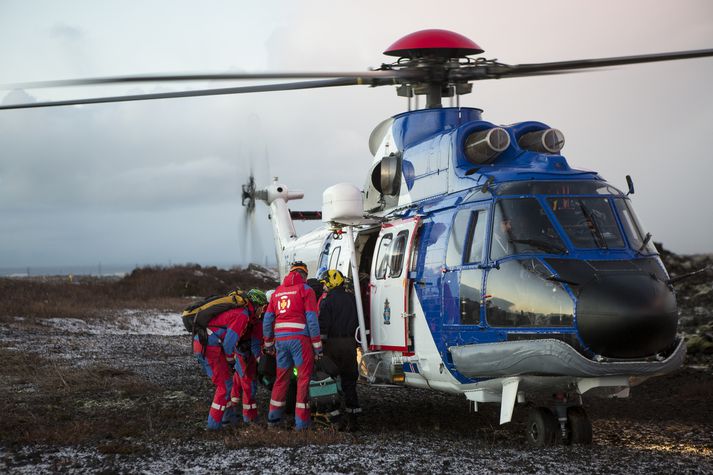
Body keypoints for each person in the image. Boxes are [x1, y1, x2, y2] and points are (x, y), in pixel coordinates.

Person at [263, 261, 321, 430]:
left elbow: (267, 320)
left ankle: (273, 420)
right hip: (300, 341)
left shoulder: (277, 292)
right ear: (304, 275)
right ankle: (301, 424)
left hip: (281, 341)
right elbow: (311, 319)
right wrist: (317, 346)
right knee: (303, 380)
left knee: (281, 379)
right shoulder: (306, 290)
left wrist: (268, 343)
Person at [193, 296, 253, 430]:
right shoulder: (242, 315)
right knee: (224, 387)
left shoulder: (237, 311)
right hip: (209, 348)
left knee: (227, 383)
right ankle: (213, 426)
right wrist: (231, 360)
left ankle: (229, 420)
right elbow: (229, 343)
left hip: (204, 344)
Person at [317, 269, 362, 431]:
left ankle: (336, 419)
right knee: (349, 382)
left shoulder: (327, 301)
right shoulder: (352, 298)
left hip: (332, 345)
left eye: (325, 283)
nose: (324, 287)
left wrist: (319, 347)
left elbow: (323, 325)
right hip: (350, 344)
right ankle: (353, 418)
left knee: (330, 381)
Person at [229, 289, 268, 424]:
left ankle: (232, 414)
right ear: (257, 305)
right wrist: (262, 362)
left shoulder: (243, 315)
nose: (263, 311)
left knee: (236, 383)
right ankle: (249, 418)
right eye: (262, 307)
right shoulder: (254, 322)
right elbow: (256, 346)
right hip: (246, 358)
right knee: (249, 387)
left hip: (237, 354)